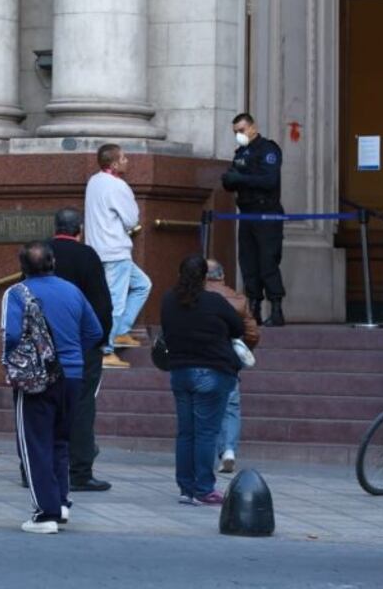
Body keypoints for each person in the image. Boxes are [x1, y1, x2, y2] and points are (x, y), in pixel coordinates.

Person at [3, 241, 102, 534]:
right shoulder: (72, 291)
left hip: (36, 377)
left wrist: (14, 365)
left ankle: (44, 513)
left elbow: (9, 335)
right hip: (72, 376)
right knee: (60, 441)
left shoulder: (16, 293)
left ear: (22, 266)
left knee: (35, 444)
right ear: (53, 262)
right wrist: (72, 357)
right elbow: (95, 331)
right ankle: (60, 504)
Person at [161, 255, 245, 505]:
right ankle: (204, 488)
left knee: (186, 433)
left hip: (180, 373)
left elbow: (166, 330)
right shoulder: (214, 301)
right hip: (212, 372)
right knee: (207, 433)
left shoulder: (168, 300)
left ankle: (186, 488)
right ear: (205, 277)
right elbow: (238, 328)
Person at [49, 207, 114, 492]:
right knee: (82, 405)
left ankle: (35, 468)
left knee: (42, 405)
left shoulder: (41, 253)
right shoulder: (87, 256)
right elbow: (102, 305)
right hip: (80, 346)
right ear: (80, 230)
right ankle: (79, 471)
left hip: (45, 344)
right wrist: (99, 341)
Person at [84, 143, 152, 369]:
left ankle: (121, 330)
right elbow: (131, 220)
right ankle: (106, 350)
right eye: (123, 158)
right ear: (113, 163)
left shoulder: (94, 181)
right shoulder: (118, 186)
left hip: (97, 250)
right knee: (114, 302)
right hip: (115, 252)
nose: (127, 161)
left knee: (142, 284)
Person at [221, 112, 286, 326]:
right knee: (248, 262)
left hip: (266, 212)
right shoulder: (241, 152)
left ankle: (276, 309)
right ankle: (254, 308)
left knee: (268, 261)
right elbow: (233, 178)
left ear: (252, 128)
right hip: (247, 213)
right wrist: (230, 180)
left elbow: (269, 180)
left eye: (241, 130)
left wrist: (241, 179)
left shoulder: (268, 149)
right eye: (235, 132)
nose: (239, 135)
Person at [205, 259, 260, 473]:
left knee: (202, 406)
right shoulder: (237, 299)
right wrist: (241, 351)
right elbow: (253, 333)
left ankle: (205, 453)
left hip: (200, 358)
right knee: (231, 405)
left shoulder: (195, 296)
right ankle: (228, 450)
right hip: (228, 359)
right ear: (222, 276)